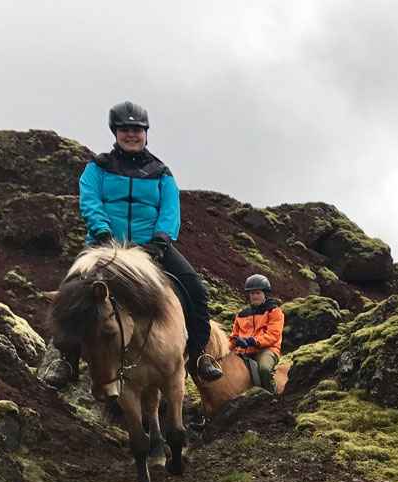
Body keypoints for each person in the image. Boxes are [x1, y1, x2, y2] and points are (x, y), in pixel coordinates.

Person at [45, 101, 223, 387]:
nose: (131, 135)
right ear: (115, 132)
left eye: (137, 130)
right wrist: (102, 232)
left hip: (149, 246)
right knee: (71, 292)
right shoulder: (97, 167)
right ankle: (66, 360)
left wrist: (161, 240)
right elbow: (89, 200)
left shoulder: (161, 172)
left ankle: (200, 353)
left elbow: (170, 209)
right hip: (105, 245)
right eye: (125, 129)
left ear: (146, 133)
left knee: (194, 287)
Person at [229, 274, 284, 392]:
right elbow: (233, 337)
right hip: (244, 352)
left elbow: (274, 335)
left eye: (258, 293)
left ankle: (271, 397)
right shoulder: (241, 314)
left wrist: (253, 341)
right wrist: (225, 349)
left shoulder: (274, 311)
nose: (254, 296)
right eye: (252, 293)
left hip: (267, 350)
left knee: (264, 369)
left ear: (265, 293)